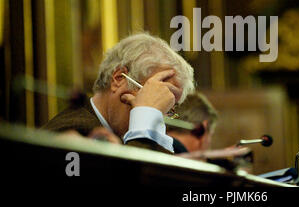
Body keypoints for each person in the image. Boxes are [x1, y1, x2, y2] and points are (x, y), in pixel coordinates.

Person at [43, 32, 195, 154]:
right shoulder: (75, 132)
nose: (159, 115)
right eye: (155, 96)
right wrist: (146, 114)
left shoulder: (121, 133)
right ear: (119, 79)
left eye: (168, 108)